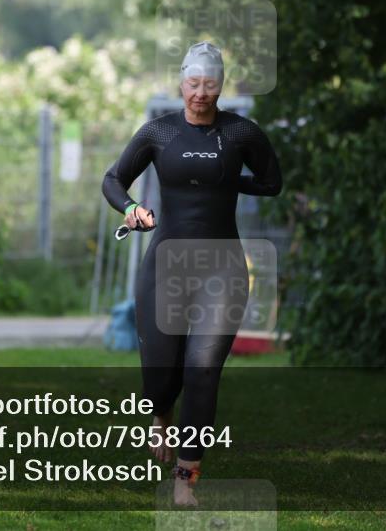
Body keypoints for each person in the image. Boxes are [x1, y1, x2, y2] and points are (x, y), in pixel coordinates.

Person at [101, 41, 282, 506]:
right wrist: (133, 209)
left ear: (221, 86)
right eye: (193, 83)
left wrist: (225, 180)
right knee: (161, 374)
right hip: (166, 263)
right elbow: (113, 180)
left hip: (221, 267)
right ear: (181, 83)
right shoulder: (158, 133)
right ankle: (160, 416)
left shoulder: (242, 133)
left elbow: (271, 182)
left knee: (202, 370)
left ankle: (185, 479)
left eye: (210, 85)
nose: (200, 93)